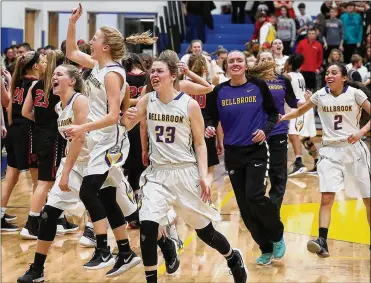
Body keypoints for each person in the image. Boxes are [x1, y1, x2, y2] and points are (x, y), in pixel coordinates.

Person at [121, 56, 248, 283]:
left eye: (159, 71)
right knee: (148, 228)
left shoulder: (188, 104)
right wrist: (125, 116)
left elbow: (199, 143)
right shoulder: (147, 100)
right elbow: (128, 125)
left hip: (184, 173)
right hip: (157, 174)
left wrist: (203, 177)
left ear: (173, 75)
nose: (154, 75)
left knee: (206, 232)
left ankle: (232, 257)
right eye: (152, 72)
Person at [17, 64, 141, 283]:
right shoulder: (59, 108)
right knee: (49, 214)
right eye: (53, 74)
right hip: (75, 163)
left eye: (59, 74)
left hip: (97, 162)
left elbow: (81, 139)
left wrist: (63, 173)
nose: (53, 76)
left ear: (71, 81)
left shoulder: (81, 101)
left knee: (131, 214)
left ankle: (161, 243)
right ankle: (37, 269)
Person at [65, 3, 155, 270]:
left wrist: (82, 128)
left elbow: (114, 115)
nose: (90, 41)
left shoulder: (114, 74)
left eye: (94, 39)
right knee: (108, 197)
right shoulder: (96, 65)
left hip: (111, 140)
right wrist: (72, 23)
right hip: (98, 139)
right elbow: (70, 51)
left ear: (105, 47)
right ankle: (127, 251)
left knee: (87, 190)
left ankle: (104, 248)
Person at [204, 50, 285, 266]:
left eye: (239, 60)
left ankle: (277, 234)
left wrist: (265, 130)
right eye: (231, 61)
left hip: (256, 150)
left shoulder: (258, 86)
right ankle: (265, 248)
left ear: (245, 65)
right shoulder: (219, 91)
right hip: (233, 153)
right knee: (244, 206)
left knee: (255, 197)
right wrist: (210, 127)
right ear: (226, 66)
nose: (236, 64)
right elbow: (210, 116)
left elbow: (273, 114)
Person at [280, 63, 370, 257]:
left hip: (354, 150)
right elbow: (300, 111)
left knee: (368, 199)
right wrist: (282, 118)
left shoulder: (355, 94)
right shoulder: (320, 95)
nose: (329, 75)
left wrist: (361, 131)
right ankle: (322, 241)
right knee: (326, 198)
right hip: (330, 150)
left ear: (344, 77)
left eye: (334, 73)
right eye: (327, 72)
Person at [20, 50, 77, 239]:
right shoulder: (59, 89)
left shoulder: (36, 84)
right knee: (45, 183)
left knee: (47, 182)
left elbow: (25, 112)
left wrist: (40, 121)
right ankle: (31, 224)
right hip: (53, 137)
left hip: (38, 134)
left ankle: (56, 219)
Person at [1, 51, 45, 231]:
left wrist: (12, 128)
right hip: (28, 131)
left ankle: (1, 214)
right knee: (38, 179)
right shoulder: (36, 84)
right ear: (35, 66)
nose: (44, 64)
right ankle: (36, 219)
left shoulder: (18, 82)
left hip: (14, 130)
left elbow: (9, 108)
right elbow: (35, 113)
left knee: (11, 176)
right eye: (42, 61)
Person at [284, 54, 319, 176]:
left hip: (298, 108)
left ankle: (299, 163)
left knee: (293, 134)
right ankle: (318, 162)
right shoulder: (300, 75)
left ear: (289, 64)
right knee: (305, 138)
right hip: (306, 107)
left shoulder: (287, 76)